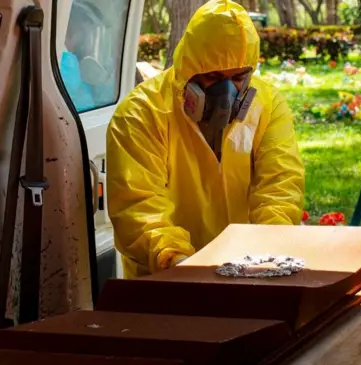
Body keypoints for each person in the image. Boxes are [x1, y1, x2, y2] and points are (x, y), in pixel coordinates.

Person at [106, 0, 305, 279]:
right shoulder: (141, 114)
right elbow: (138, 206)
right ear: (188, 70)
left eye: (238, 77)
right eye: (212, 77)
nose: (226, 93)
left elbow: (280, 185)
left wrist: (265, 252)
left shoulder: (267, 105)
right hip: (165, 279)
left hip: (249, 271)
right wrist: (177, 262)